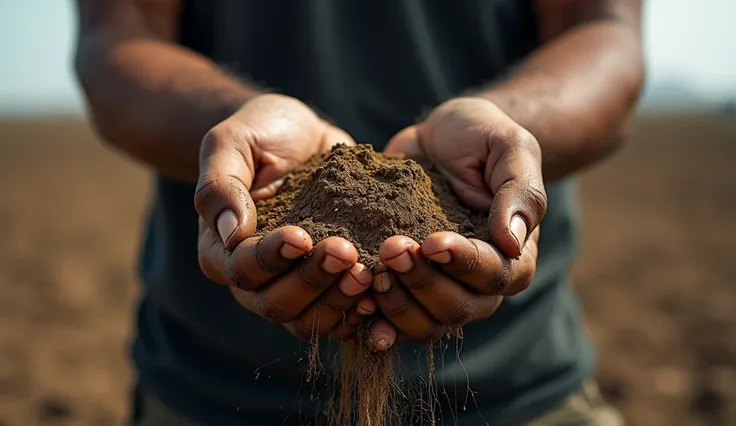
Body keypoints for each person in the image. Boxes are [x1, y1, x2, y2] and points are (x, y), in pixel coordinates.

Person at [73, 1, 644, 425]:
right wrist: (235, 119)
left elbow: (602, 30)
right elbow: (119, 36)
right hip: (208, 392)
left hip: (522, 389)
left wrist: (507, 127)